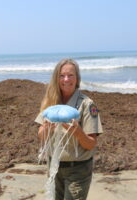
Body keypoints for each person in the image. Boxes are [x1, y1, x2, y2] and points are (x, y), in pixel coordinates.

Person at [35, 58, 103, 200]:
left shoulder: (87, 104)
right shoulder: (51, 102)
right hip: (54, 166)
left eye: (70, 75)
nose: (66, 79)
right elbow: (41, 135)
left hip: (78, 169)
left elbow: (91, 144)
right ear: (56, 78)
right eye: (62, 75)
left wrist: (78, 132)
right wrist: (47, 128)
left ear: (77, 78)